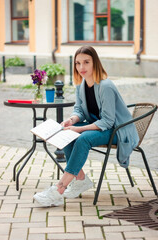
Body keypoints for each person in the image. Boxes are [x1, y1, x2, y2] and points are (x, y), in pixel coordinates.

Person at [34, 46, 139, 207]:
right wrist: (72, 120)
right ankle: (80, 180)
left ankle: (58, 190)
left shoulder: (106, 86)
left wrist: (79, 129)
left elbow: (108, 121)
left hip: (118, 130)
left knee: (81, 139)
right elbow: (80, 110)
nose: (81, 67)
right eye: (78, 63)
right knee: (66, 135)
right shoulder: (81, 85)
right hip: (100, 126)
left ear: (94, 63)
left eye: (86, 62)